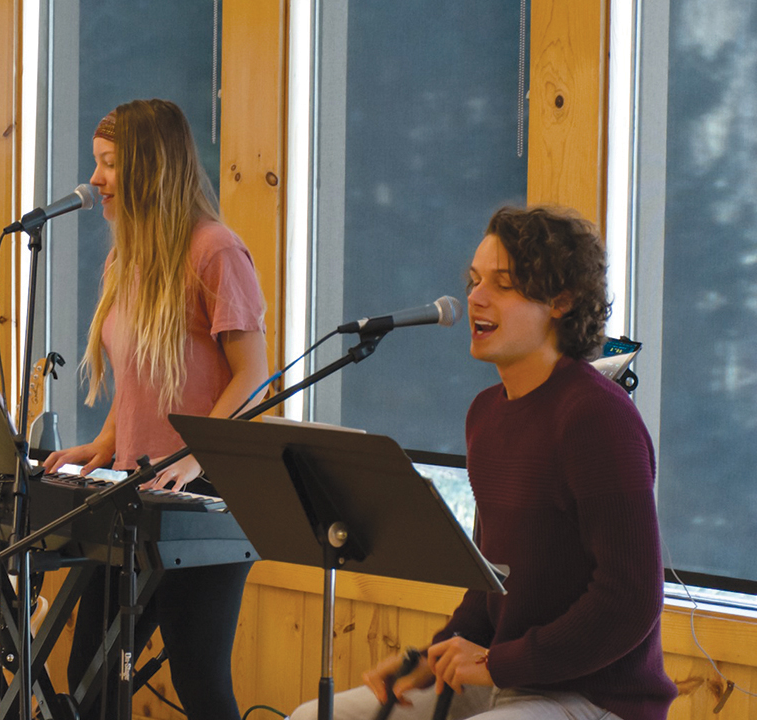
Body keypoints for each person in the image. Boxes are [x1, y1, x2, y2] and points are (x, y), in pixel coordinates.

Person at [290, 207, 676, 720]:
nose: (475, 297)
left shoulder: (597, 417)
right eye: (474, 280)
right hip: (509, 674)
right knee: (313, 716)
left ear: (560, 302)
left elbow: (630, 599)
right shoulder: (486, 413)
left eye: (503, 284)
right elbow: (495, 577)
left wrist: (499, 663)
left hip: (594, 696)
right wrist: (432, 656)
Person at [43, 99, 269, 720]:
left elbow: (253, 375)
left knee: (199, 681)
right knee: (89, 677)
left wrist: (196, 456)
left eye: (110, 164)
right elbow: (140, 378)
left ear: (152, 166)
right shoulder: (127, 256)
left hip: (207, 493)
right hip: (136, 485)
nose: (96, 179)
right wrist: (104, 441)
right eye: (97, 163)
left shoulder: (215, 251)